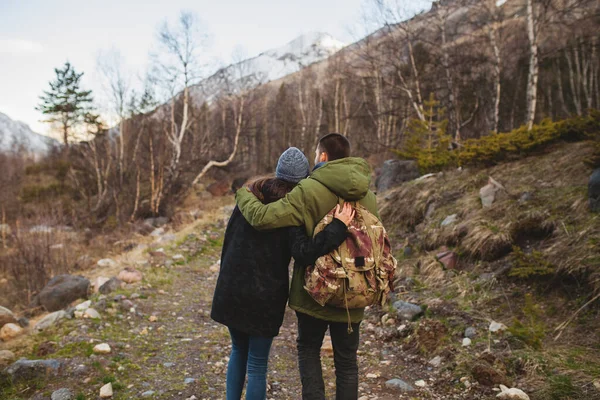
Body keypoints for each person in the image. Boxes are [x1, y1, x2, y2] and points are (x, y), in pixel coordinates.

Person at [235, 134, 379, 400]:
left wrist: (244, 194)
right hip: (353, 294)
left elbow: (264, 218)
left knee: (309, 351)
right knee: (347, 363)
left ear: (322, 156)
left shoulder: (309, 190)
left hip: (315, 293)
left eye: (316, 154)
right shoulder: (368, 195)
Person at [211, 147, 356, 400]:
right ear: (302, 180)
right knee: (257, 364)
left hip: (231, 289)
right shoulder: (292, 208)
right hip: (264, 297)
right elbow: (304, 252)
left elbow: (228, 242)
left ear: (278, 171)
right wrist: (338, 227)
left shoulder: (250, 195)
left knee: (237, 350)